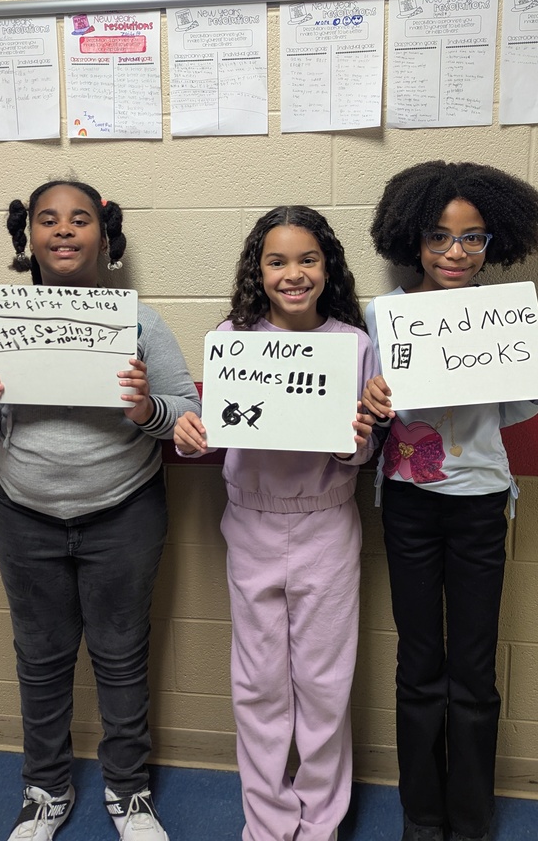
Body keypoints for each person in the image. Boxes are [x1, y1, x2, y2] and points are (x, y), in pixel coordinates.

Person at [0, 180, 200, 841]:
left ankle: (128, 791)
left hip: (122, 513)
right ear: (27, 235)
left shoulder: (141, 322)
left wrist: (147, 409)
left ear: (104, 234)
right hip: (24, 515)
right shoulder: (4, 316)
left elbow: (189, 417)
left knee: (122, 655)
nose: (63, 230)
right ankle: (46, 789)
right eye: (47, 220)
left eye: (80, 219)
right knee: (39, 658)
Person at [360, 162, 538, 841]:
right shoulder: (379, 316)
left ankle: (471, 818)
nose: (456, 252)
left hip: (481, 501)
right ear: (409, 238)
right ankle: (422, 817)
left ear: (494, 241)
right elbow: (360, 415)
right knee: (418, 663)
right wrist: (368, 402)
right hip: (408, 503)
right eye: (439, 236)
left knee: (473, 669)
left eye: (473, 238)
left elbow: (509, 408)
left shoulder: (502, 315)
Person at [174, 206, 379, 841]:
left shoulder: (354, 345)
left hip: (326, 527)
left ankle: (320, 823)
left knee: (323, 684)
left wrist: (354, 443)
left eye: (307, 259)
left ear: (328, 267)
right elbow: (215, 434)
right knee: (259, 685)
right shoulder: (233, 340)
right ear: (258, 271)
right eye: (277, 260)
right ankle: (265, 823)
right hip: (252, 525)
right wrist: (189, 437)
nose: (293, 273)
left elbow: (364, 449)